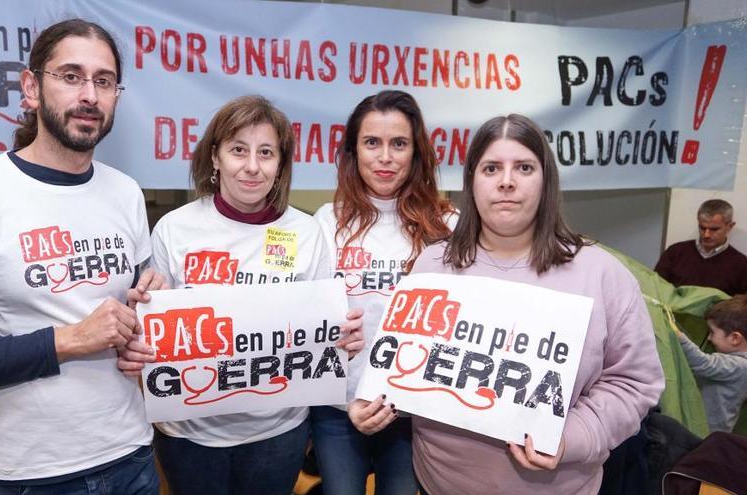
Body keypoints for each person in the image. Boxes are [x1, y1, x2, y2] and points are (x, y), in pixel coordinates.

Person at [0, 19, 163, 494]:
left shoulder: (125, 192)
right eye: (71, 76)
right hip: (29, 474)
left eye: (103, 81)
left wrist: (153, 302)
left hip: (132, 456)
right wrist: (70, 339)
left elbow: (131, 309)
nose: (89, 94)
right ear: (30, 87)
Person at [353, 114, 664, 494]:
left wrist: (574, 437)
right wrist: (374, 402)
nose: (506, 181)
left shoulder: (603, 274)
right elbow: (406, 361)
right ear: (472, 181)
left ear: (545, 180)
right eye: (491, 168)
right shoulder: (432, 266)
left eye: (524, 167)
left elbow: (633, 382)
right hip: (437, 484)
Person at [116, 95, 364, 495]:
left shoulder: (305, 232)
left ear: (281, 164)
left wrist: (340, 339)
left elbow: (324, 330)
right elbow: (152, 332)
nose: (252, 166)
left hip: (278, 431)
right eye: (238, 150)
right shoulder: (173, 229)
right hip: (189, 434)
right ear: (214, 157)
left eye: (266, 153)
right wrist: (143, 315)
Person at [311, 90, 455, 495]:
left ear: (417, 153)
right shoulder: (326, 222)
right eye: (372, 142)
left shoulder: (449, 226)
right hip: (338, 412)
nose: (386, 157)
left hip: (415, 414)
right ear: (353, 151)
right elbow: (302, 319)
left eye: (399, 144)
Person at [677, 295, 747, 432]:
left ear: (734, 338)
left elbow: (704, 364)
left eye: (712, 332)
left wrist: (679, 336)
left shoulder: (740, 366)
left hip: (705, 431)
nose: (709, 338)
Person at [655, 199, 747, 295]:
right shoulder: (675, 252)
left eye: (714, 229)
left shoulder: (742, 264)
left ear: (730, 226)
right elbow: (655, 288)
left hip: (718, 310)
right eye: (702, 228)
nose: (706, 235)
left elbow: (742, 305)